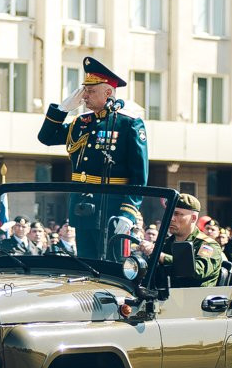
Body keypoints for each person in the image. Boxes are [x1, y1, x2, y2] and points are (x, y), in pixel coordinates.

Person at [38, 57, 149, 259]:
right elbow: (46, 138)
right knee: (87, 265)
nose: (85, 96)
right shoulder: (82, 123)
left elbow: (139, 176)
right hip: (82, 208)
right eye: (85, 90)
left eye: (91, 91)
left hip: (113, 209)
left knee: (113, 267)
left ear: (108, 93)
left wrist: (128, 212)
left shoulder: (128, 124)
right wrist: (62, 110)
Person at [157, 194, 223, 288]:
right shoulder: (166, 243)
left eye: (177, 214)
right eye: (170, 213)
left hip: (195, 299)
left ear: (193, 218)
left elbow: (198, 270)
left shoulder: (207, 245)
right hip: (166, 298)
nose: (171, 218)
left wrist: (163, 257)